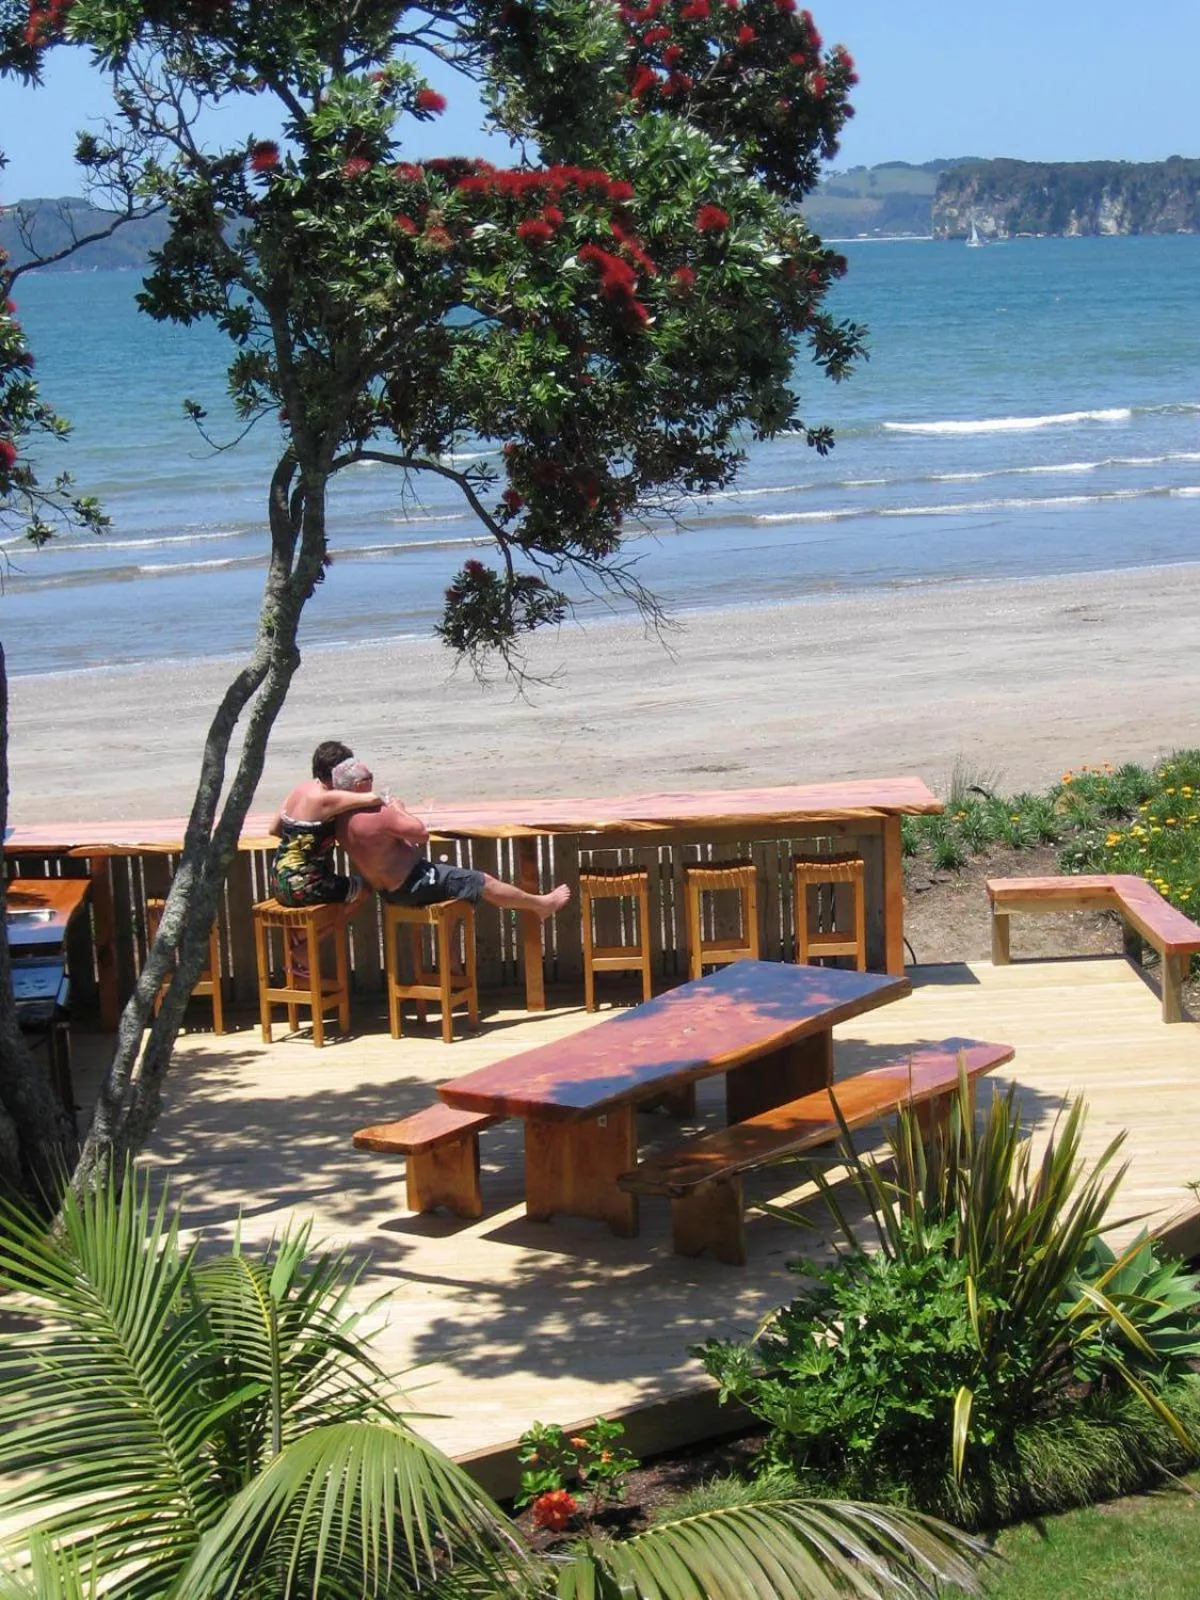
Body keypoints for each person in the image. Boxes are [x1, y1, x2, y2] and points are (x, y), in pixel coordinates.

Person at [331, 759, 571, 921]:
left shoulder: (340, 820)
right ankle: (541, 905)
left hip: (389, 891)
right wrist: (397, 807)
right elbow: (420, 832)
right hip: (413, 884)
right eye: (371, 777)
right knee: (481, 881)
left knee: (459, 893)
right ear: (361, 785)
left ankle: (453, 964)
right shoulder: (377, 815)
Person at [267, 740, 385, 944]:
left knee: (344, 887)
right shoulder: (326, 798)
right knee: (364, 888)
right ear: (338, 772)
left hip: (279, 882)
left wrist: (307, 842)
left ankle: (305, 938)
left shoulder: (299, 790)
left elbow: (274, 829)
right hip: (304, 887)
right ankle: (306, 941)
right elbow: (373, 798)